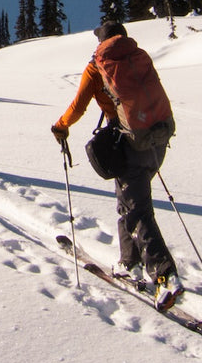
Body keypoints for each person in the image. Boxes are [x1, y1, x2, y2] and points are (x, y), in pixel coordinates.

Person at [50, 21, 183, 311]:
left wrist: (60, 126)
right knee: (129, 202)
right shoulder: (139, 56)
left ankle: (165, 278)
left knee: (137, 211)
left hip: (129, 142)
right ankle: (128, 261)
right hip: (158, 138)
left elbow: (78, 106)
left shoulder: (97, 66)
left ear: (100, 42)